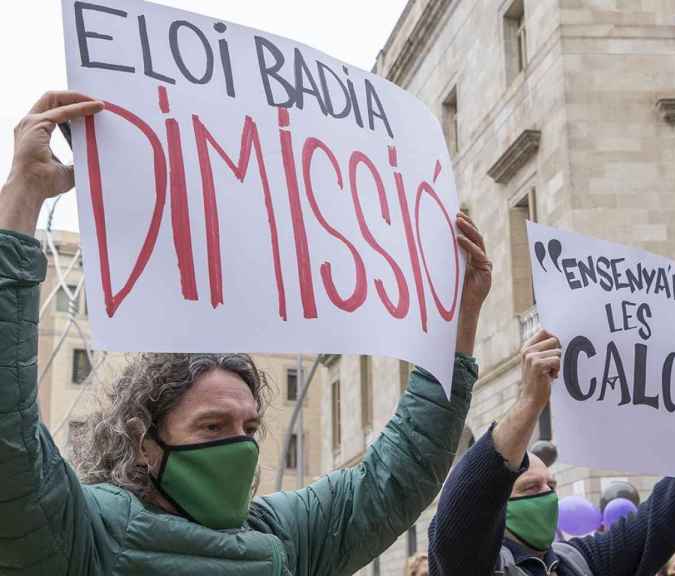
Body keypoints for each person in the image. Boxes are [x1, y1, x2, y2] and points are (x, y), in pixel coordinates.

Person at [0, 91, 493, 575]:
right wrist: (21, 196)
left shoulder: (280, 536)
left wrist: (455, 323)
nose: (239, 448)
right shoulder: (85, 536)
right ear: (144, 442)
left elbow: (397, 477)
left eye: (249, 429)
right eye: (213, 427)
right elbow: (10, 446)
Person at [428, 329, 675, 575]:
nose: (547, 497)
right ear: (500, 505)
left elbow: (664, 517)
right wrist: (530, 403)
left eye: (551, 487)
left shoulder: (579, 563)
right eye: (530, 487)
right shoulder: (474, 565)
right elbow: (462, 511)